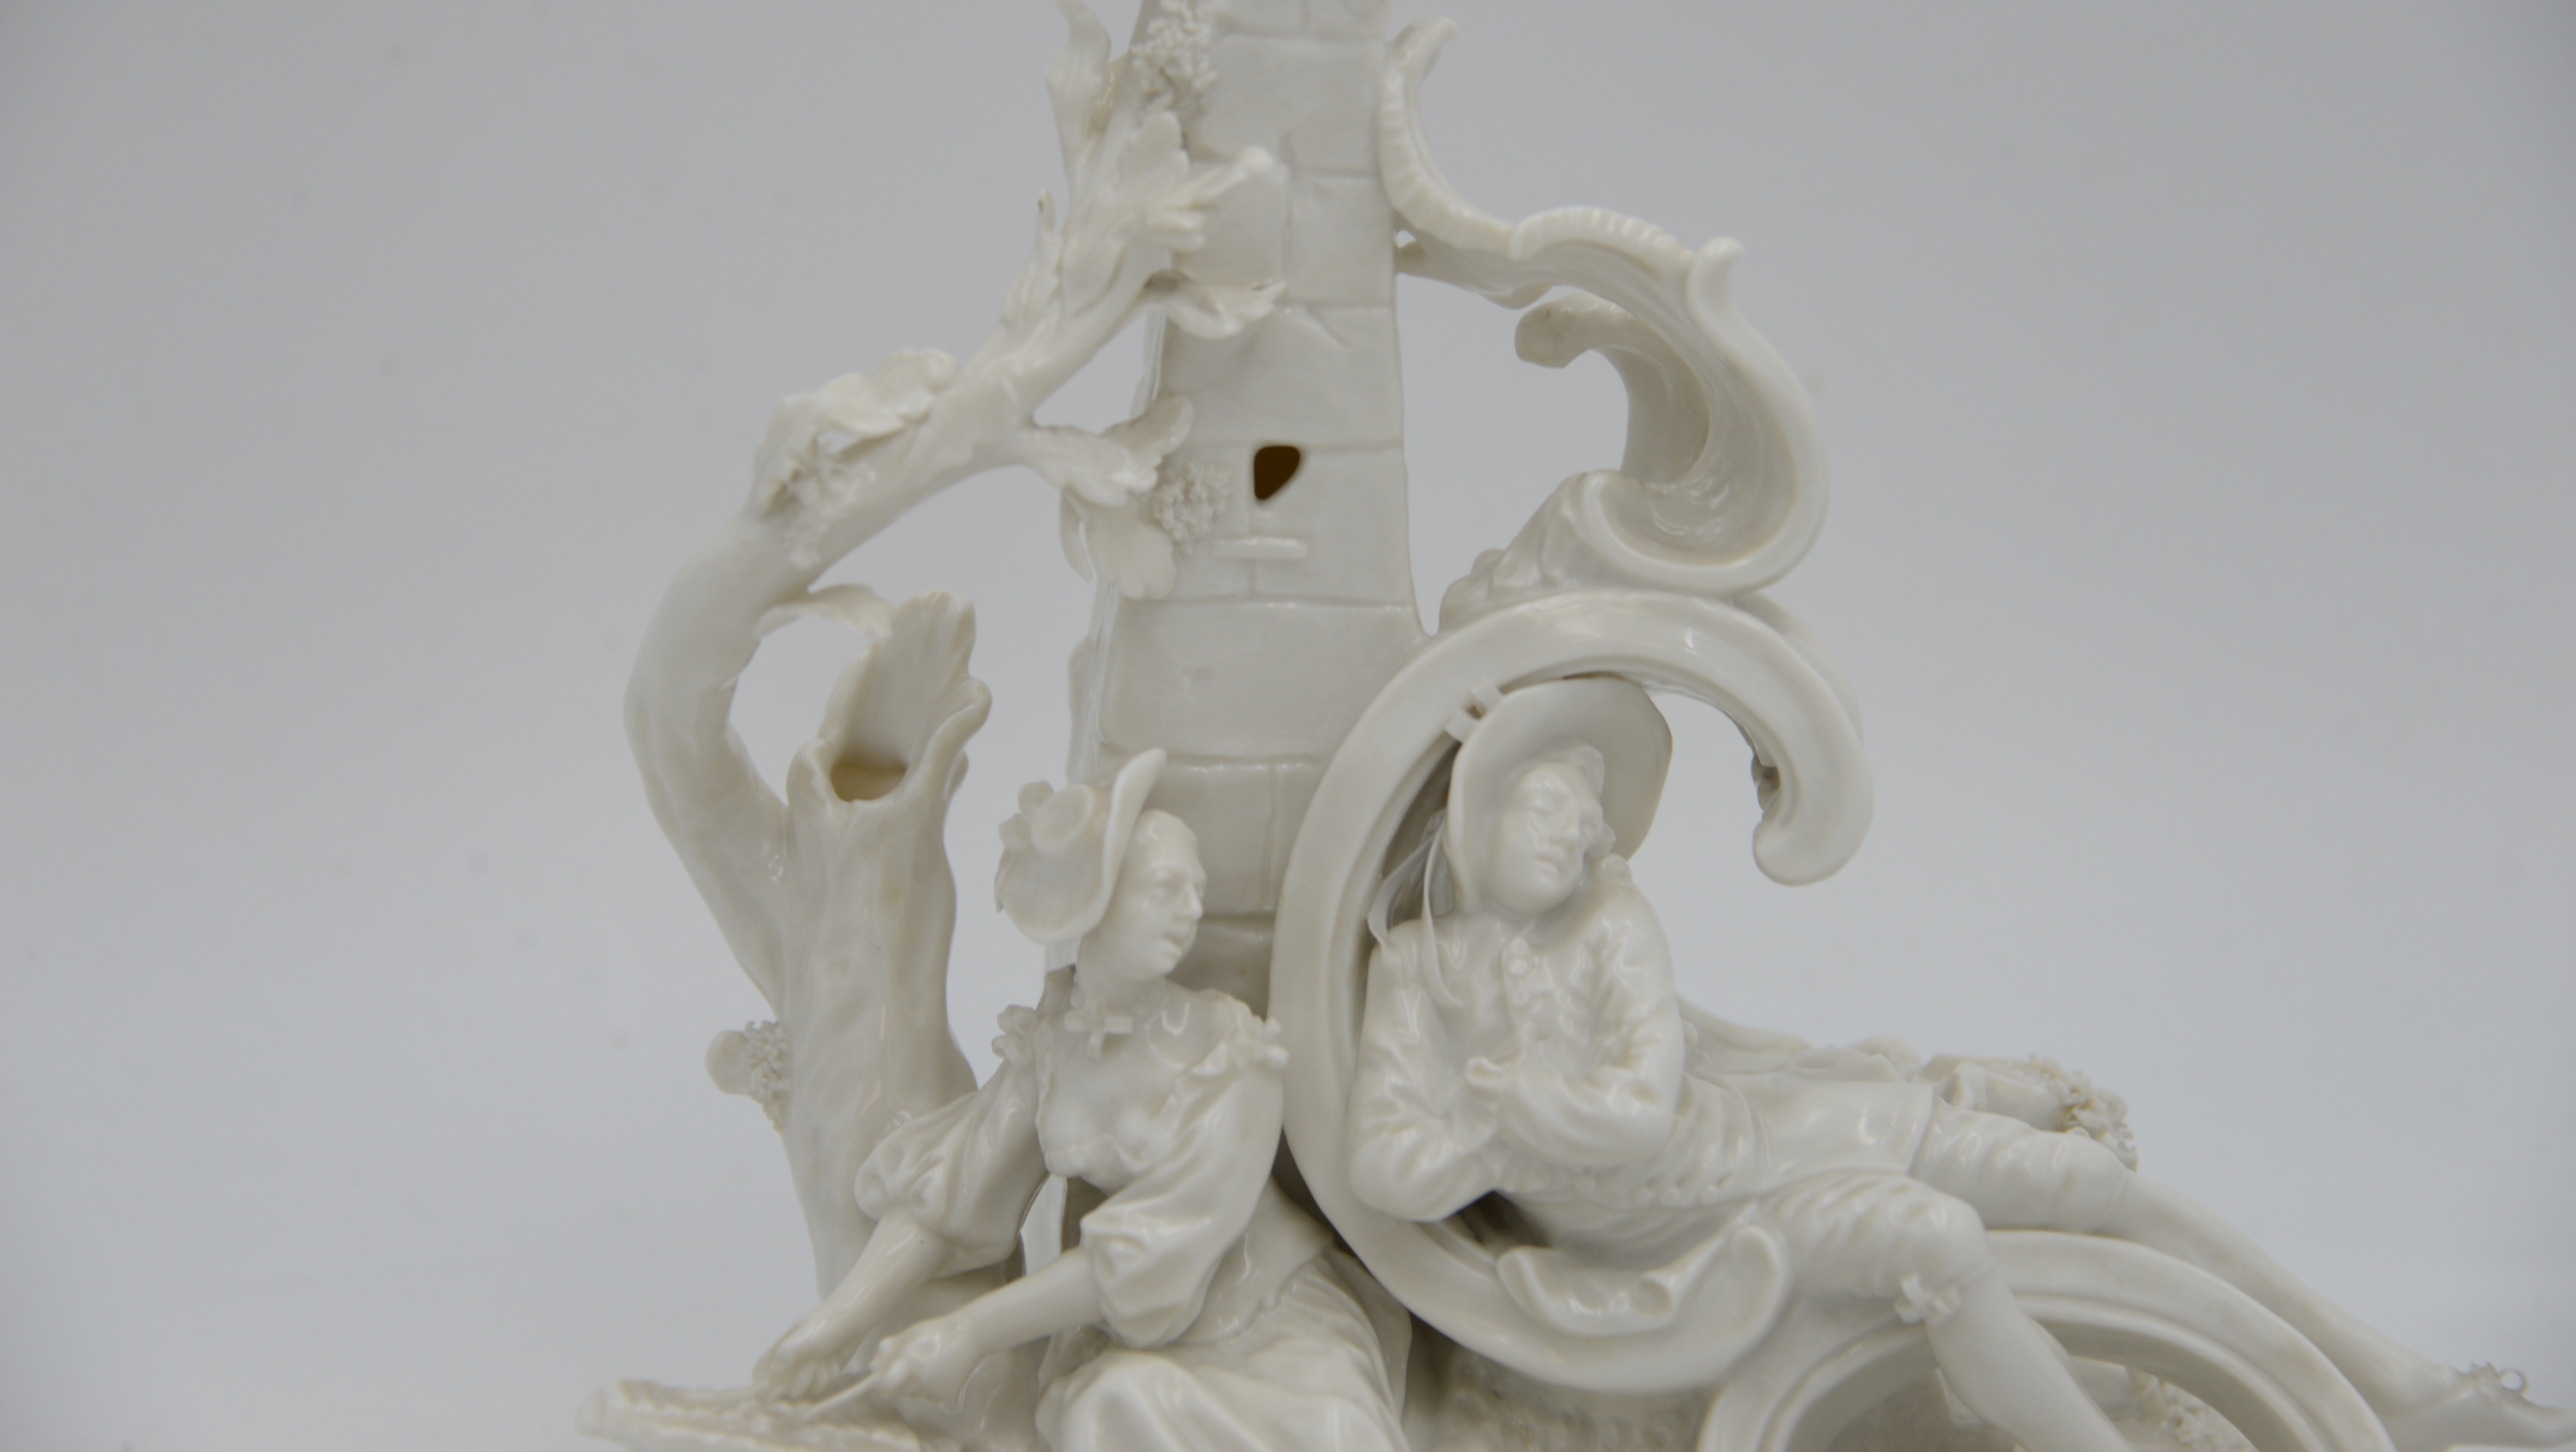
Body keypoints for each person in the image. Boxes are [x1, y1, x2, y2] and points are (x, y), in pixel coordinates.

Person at [1347, 677, 2576, 1452]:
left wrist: (1506, 1112)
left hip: (1770, 1138)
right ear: (1481, 817)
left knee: (2081, 1183)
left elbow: (1637, 1104)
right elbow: (1384, 1168)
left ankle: (2402, 1386)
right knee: (1937, 1243)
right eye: (1546, 809)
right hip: (1690, 1243)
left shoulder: (1614, 921)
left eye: (1585, 816)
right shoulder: (1417, 972)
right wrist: (1496, 1128)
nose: (1573, 834)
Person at [758, 749, 1408, 1452]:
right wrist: (838, 1324)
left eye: (1195, 890)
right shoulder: (1053, 1043)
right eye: (1164, 889)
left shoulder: (1233, 1053)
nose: (1190, 911)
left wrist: (970, 1331)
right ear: (1097, 900)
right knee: (1104, 1409)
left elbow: (1155, 1247)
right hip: (1140, 1334)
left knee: (1318, 1432)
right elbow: (952, 1195)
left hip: (1268, 1313)